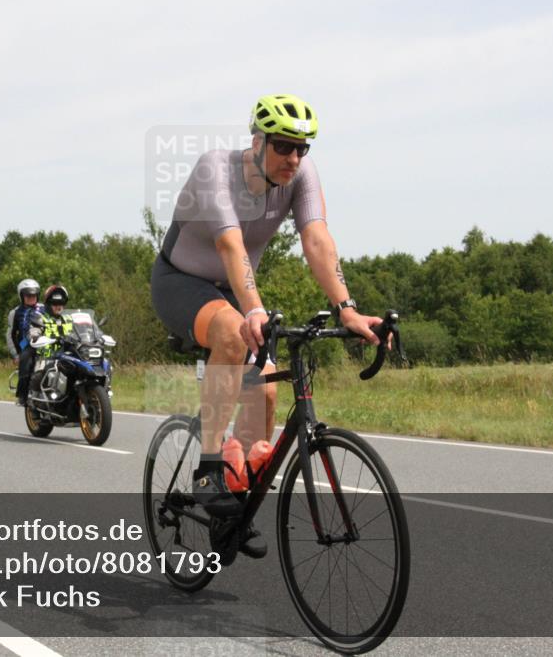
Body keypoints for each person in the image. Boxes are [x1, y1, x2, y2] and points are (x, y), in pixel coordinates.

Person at [150, 94, 385, 558]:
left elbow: (316, 240)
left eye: (302, 148)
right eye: (283, 146)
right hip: (181, 281)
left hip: (232, 290)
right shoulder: (215, 169)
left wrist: (347, 308)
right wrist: (255, 310)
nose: (293, 158)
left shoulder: (301, 175)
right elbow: (231, 246)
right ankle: (209, 470)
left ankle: (234, 500)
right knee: (232, 334)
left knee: (269, 389)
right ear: (257, 142)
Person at [6, 278, 44, 407]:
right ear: (22, 296)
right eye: (28, 295)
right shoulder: (15, 313)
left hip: (47, 344)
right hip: (27, 345)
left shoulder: (45, 309)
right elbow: (11, 335)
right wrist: (16, 354)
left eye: (34, 295)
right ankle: (22, 395)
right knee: (26, 363)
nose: (31, 297)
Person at [27, 285, 75, 359]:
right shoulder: (40, 318)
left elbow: (82, 334)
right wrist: (36, 337)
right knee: (25, 357)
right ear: (48, 304)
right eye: (55, 303)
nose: (58, 306)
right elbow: (34, 334)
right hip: (46, 359)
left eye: (61, 303)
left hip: (69, 358)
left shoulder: (69, 319)